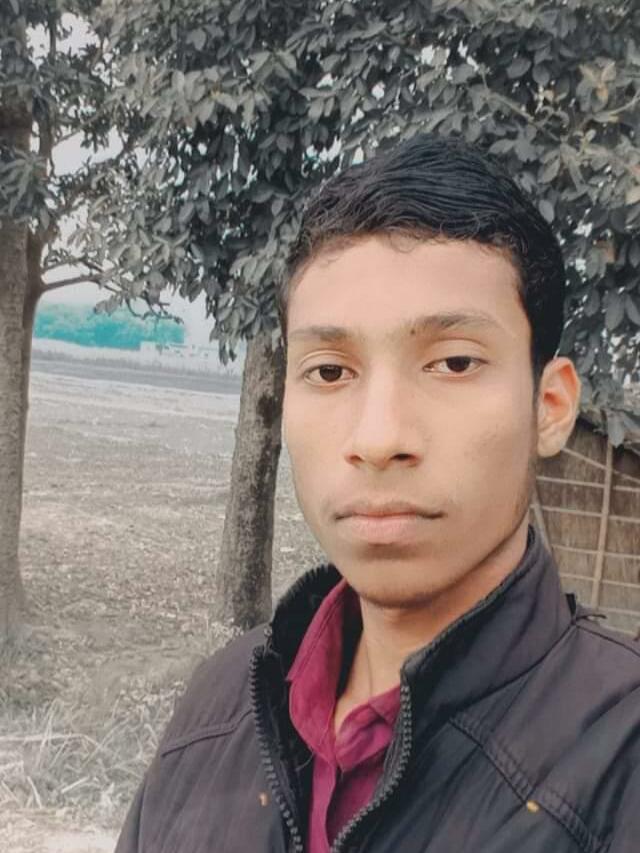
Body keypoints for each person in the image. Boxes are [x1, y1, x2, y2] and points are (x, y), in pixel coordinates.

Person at [115, 134, 640, 853]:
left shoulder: (620, 758)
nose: (379, 436)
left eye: (454, 362)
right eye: (330, 372)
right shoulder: (220, 705)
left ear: (549, 406)